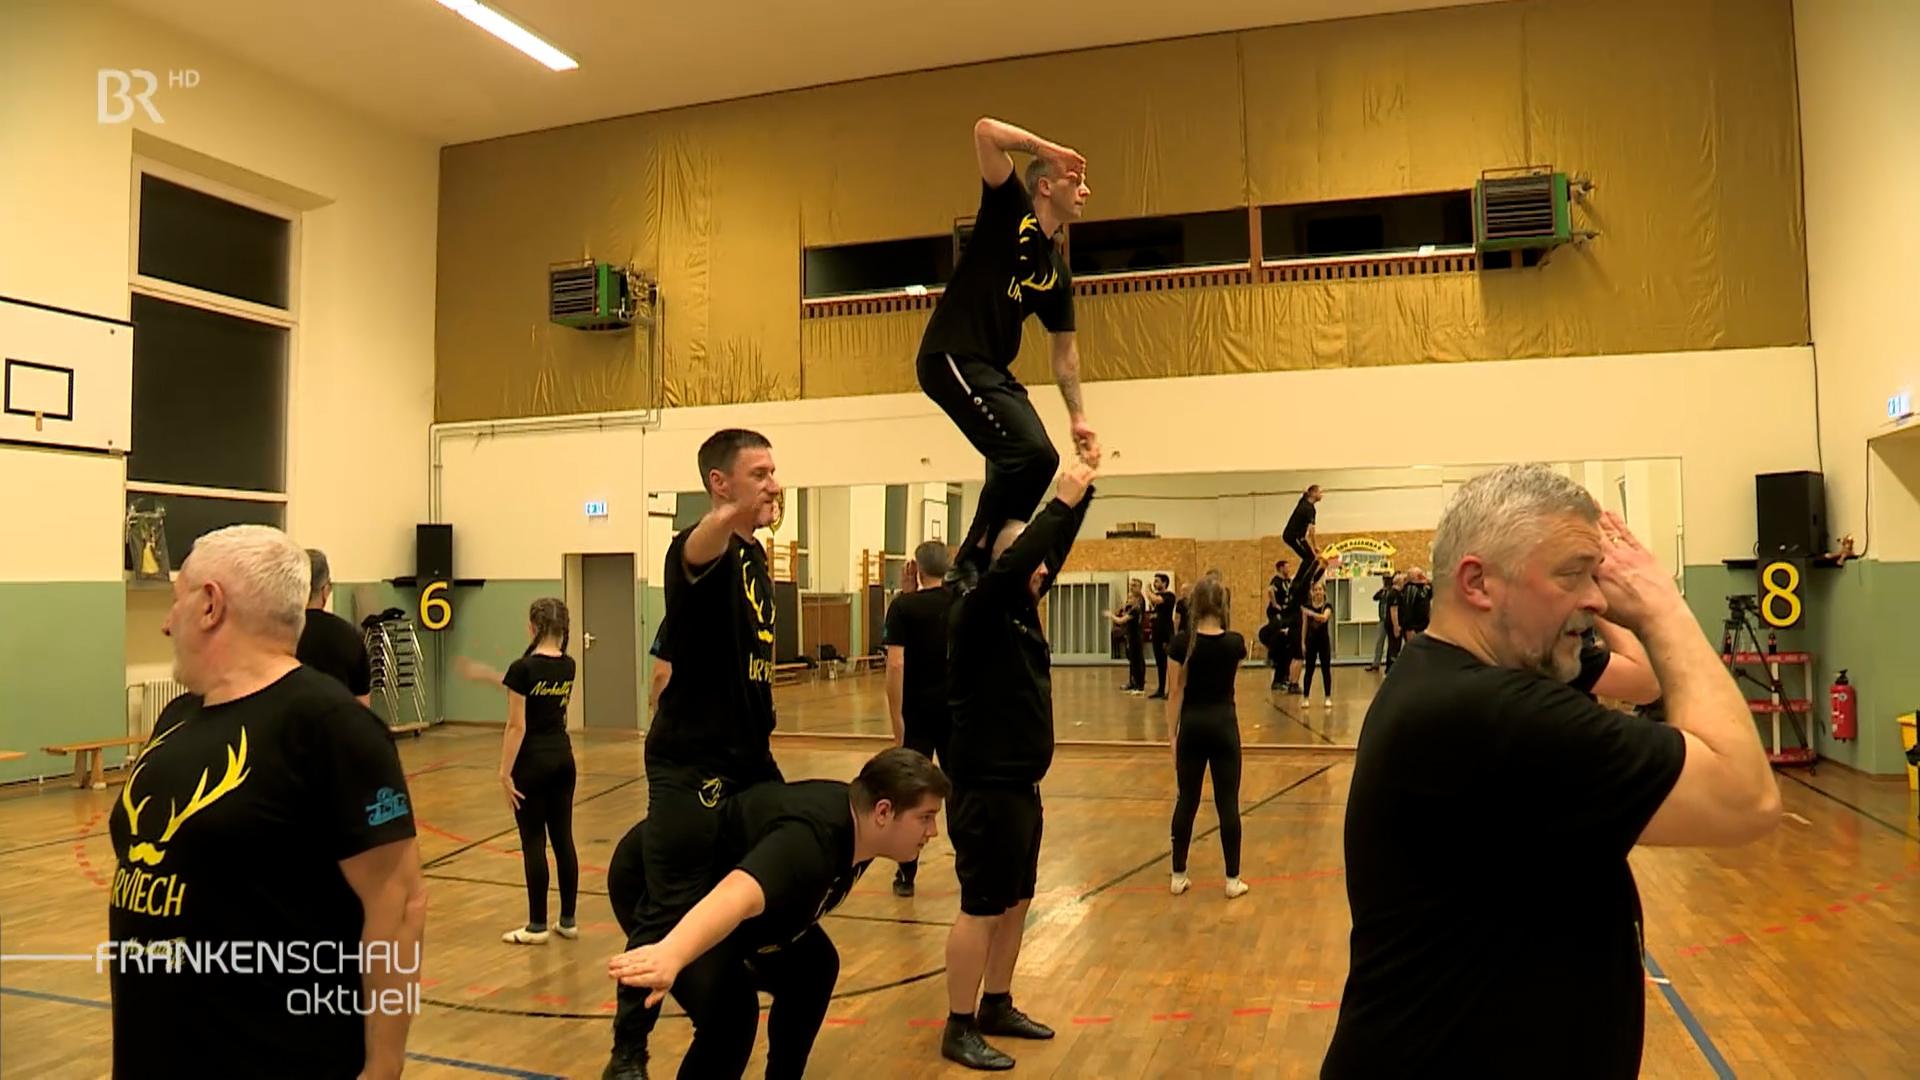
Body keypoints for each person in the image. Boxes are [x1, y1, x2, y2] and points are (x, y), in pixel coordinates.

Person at [1323, 465, 1780, 1077]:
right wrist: (1663, 606)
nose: (1597, 598)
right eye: (1572, 575)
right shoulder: (1489, 713)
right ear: (1478, 582)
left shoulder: (1457, 683)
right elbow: (1746, 797)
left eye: (1598, 575)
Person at [107, 525, 425, 1080]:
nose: (165, 622)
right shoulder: (175, 720)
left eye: (175, 598)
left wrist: (384, 1067)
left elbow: (399, 908)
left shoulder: (330, 726)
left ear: (210, 605)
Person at [606, 428, 787, 1080]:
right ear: (721, 483)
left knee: (783, 853)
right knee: (666, 900)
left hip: (749, 756)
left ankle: (753, 965)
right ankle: (628, 1050)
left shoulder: (757, 558)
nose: (773, 482)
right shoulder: (698, 547)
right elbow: (697, 543)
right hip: (691, 761)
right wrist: (725, 518)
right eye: (758, 473)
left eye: (774, 471)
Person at [607, 748, 950, 1080]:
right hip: (661, 886)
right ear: (883, 812)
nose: (933, 832)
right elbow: (737, 895)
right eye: (925, 818)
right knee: (732, 1017)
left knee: (814, 966)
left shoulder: (860, 827)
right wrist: (672, 953)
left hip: (727, 897)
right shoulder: (809, 844)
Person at [941, 460, 1097, 1071]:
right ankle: (958, 1024)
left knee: (1016, 902)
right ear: (1001, 568)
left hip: (1022, 790)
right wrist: (1058, 502)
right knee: (981, 906)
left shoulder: (1017, 609)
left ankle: (996, 1003)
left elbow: (1043, 554)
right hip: (985, 789)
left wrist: (1083, 494)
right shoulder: (978, 612)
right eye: (1029, 563)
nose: (1042, 571)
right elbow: (1019, 560)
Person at [917, 116, 1098, 585]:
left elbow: (1066, 354)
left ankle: (982, 559)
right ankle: (972, 557)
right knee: (1030, 452)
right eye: (1073, 181)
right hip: (952, 355)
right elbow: (984, 131)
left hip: (992, 370)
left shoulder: (1057, 272)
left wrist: (1077, 416)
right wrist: (1049, 146)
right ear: (1043, 185)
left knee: (1038, 459)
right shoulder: (1009, 208)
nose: (1084, 191)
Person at [458, 599, 581, 944]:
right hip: (563, 759)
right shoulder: (568, 665)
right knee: (563, 839)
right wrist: (488, 675)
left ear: (533, 626)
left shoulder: (522, 668)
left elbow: (517, 726)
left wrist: (503, 772)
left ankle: (537, 925)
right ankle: (568, 920)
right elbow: (534, 690)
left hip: (532, 764)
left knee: (533, 841)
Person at [1164, 574, 1249, 899]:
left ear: (1194, 605)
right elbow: (1228, 680)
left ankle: (1178, 874)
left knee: (1187, 800)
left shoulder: (1181, 643)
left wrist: (1172, 736)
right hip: (1224, 726)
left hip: (1193, 727)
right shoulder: (1235, 643)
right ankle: (1232, 880)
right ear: (1222, 605)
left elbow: (1176, 693)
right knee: (1228, 803)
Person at [882, 540, 957, 897]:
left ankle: (906, 874)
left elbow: (896, 664)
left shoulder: (902, 607)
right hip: (956, 711)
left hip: (918, 713)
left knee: (912, 793)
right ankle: (970, 868)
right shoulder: (960, 603)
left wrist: (897, 719)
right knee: (960, 789)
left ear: (916, 568)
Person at [295, 548, 372, 706]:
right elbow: (362, 707)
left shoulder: (279, 635)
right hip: (339, 727)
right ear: (325, 590)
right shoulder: (350, 636)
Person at [1282, 486, 1324, 608]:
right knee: (1310, 558)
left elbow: (1303, 496)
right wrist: (1315, 546)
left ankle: (1303, 579)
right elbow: (1311, 531)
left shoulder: (1304, 502)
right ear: (1313, 493)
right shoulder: (1309, 509)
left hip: (1298, 537)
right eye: (1320, 492)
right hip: (1293, 536)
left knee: (1310, 558)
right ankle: (1298, 582)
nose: (1322, 495)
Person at [1300, 581, 1335, 708]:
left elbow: (1324, 618)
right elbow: (1304, 625)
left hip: (1324, 642)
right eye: (1315, 590)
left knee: (1326, 669)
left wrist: (1310, 613)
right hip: (1311, 641)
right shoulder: (1307, 606)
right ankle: (1305, 697)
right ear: (1312, 592)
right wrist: (1302, 642)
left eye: (1320, 589)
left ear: (1324, 591)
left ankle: (1327, 697)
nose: (1318, 592)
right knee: (1309, 669)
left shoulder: (1327, 606)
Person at [1109, 579, 1147, 695]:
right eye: (1130, 585)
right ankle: (1133, 683)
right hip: (1130, 634)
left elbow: (1122, 620)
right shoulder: (1132, 605)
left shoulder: (1139, 603)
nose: (1131, 587)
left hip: (1136, 635)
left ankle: (1139, 685)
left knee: (1137, 660)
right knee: (1133, 660)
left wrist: (1110, 615)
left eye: (1134, 585)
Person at [1148, 573, 1176, 699]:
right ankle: (1160, 689)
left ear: (1164, 583)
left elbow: (1155, 600)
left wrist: (1147, 589)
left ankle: (1171, 690)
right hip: (1156, 634)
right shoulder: (1157, 595)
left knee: (1168, 663)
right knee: (1160, 663)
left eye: (1157, 581)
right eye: (1154, 581)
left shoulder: (1169, 596)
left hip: (1165, 634)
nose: (1155, 583)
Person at [1366, 573, 1397, 673]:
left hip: (1390, 621)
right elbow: (1374, 597)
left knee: (1391, 644)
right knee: (1380, 642)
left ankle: (1391, 664)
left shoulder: (1393, 592)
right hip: (1382, 620)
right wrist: (1382, 590)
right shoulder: (1383, 592)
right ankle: (1376, 664)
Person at [1398, 566, 1433, 642]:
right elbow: (1407, 609)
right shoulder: (1410, 589)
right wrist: (1409, 629)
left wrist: (1427, 581)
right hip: (1414, 628)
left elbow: (1433, 592)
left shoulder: (1423, 588)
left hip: (1424, 626)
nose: (1422, 576)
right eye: (1419, 575)